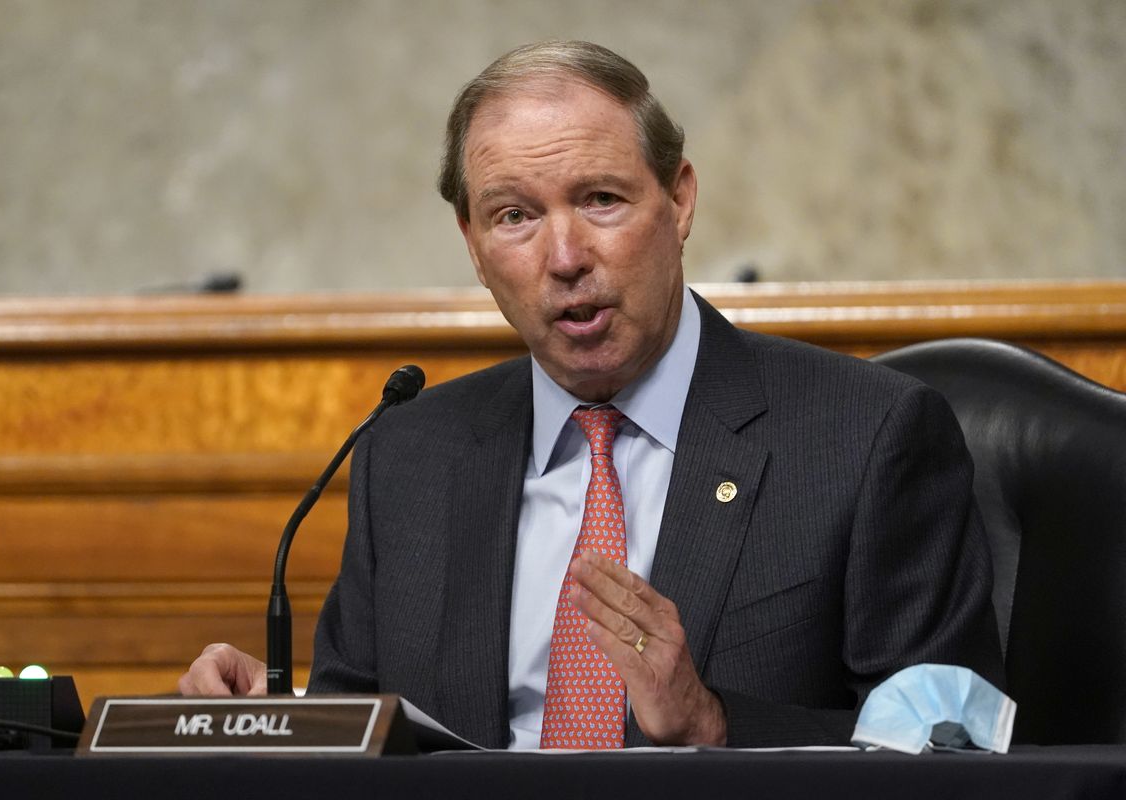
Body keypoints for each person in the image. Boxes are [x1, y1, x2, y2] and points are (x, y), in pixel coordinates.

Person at [179, 40, 1003, 749]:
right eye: (514, 216)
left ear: (678, 201)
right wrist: (283, 724)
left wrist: (715, 723)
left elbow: (945, 751)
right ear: (472, 242)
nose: (565, 256)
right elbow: (364, 725)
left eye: (600, 199)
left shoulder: (865, 436)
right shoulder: (409, 453)